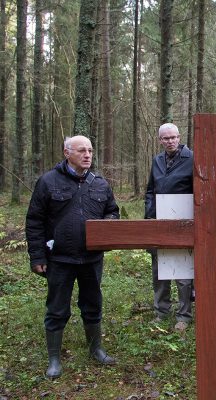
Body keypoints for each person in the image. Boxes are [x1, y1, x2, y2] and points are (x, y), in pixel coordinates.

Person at [26, 135, 120, 379]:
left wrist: (108, 225)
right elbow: (34, 221)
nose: (87, 155)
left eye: (90, 150)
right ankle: (54, 359)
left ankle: (96, 349)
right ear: (67, 153)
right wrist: (37, 257)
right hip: (59, 259)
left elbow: (113, 212)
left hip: (91, 259)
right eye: (81, 151)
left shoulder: (100, 183)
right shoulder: (48, 181)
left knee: (92, 304)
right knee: (57, 309)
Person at [145, 123, 194, 332]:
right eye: (166, 138)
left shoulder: (191, 158)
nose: (170, 141)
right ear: (160, 140)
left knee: (182, 271)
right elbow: (150, 190)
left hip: (182, 223)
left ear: (179, 137)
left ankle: (184, 314)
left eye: (173, 137)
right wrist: (150, 214)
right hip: (158, 222)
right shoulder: (157, 160)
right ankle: (161, 311)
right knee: (159, 270)